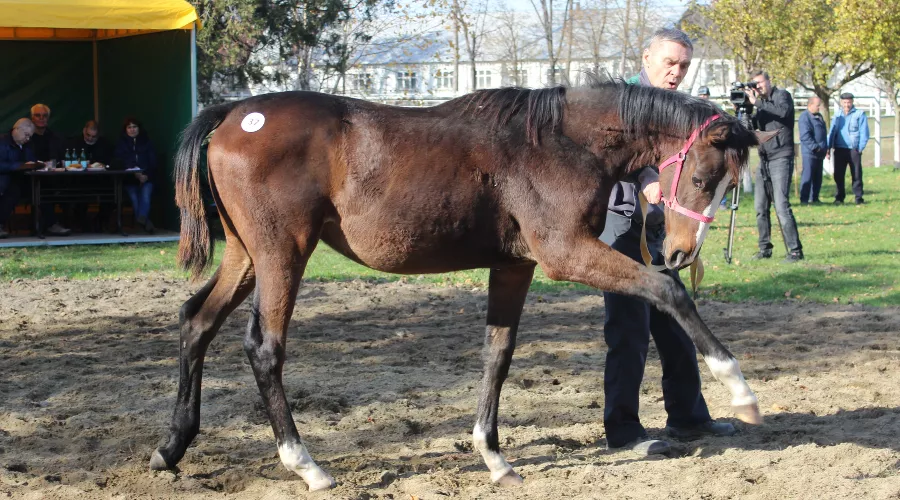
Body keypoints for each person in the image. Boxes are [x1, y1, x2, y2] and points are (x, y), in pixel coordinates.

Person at [603, 28, 735, 457]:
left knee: (679, 323)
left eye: (683, 65)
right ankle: (623, 431)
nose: (676, 72)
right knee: (629, 330)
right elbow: (617, 156)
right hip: (620, 230)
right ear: (647, 57)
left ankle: (688, 416)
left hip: (662, 232)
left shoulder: (683, 110)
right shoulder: (621, 102)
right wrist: (645, 180)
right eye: (670, 62)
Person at [745, 70, 803, 262]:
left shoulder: (782, 96)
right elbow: (752, 128)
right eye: (754, 84)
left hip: (781, 157)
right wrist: (746, 110)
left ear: (769, 81)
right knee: (760, 207)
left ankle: (795, 251)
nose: (757, 87)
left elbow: (783, 112)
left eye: (760, 83)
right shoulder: (760, 106)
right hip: (764, 159)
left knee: (781, 206)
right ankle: (765, 248)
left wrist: (757, 103)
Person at [0, 119, 71, 237]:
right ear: (16, 129)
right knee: (12, 192)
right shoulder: (2, 143)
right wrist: (19, 166)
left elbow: (31, 160)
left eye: (30, 136)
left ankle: (51, 224)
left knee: (41, 191)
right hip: (5, 180)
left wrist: (39, 164)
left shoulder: (27, 144)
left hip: (25, 179)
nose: (27, 138)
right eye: (26, 135)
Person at [68, 121, 115, 232]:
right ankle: (82, 223)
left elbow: (111, 161)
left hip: (100, 179)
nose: (90, 138)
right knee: (78, 194)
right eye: (88, 135)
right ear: (84, 131)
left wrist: (104, 164)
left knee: (111, 194)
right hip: (80, 180)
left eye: (94, 137)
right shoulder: (75, 143)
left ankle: (100, 221)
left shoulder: (105, 144)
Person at [115, 117, 157, 233]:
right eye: (129, 127)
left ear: (139, 128)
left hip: (147, 177)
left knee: (145, 196)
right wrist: (134, 173)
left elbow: (153, 161)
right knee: (134, 198)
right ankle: (145, 221)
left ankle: (142, 219)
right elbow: (120, 161)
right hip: (129, 178)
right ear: (125, 129)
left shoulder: (147, 142)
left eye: (134, 127)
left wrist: (146, 175)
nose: (132, 129)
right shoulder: (121, 144)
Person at [827, 92, 869, 205]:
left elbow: (864, 132)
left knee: (856, 174)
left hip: (853, 149)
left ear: (852, 102)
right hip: (839, 149)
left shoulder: (859, 114)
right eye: (845, 102)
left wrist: (860, 148)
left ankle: (859, 198)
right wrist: (828, 147)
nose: (847, 105)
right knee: (838, 175)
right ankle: (839, 197)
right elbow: (831, 132)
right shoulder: (837, 115)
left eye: (849, 102)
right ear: (841, 102)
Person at [798, 96, 828, 204]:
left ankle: (815, 198)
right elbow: (805, 136)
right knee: (808, 175)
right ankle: (804, 199)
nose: (819, 108)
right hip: (810, 153)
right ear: (810, 105)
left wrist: (825, 148)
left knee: (817, 177)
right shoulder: (804, 117)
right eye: (817, 105)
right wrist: (815, 148)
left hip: (820, 153)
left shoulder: (819, 116)